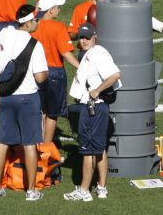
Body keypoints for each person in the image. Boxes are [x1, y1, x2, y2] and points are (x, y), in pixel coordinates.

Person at [0, 4, 49, 201]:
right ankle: (31, 191)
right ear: (28, 22)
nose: (38, 22)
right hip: (28, 99)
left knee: (2, 143)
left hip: (6, 97)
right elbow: (40, 77)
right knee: (30, 144)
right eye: (36, 20)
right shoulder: (35, 44)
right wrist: (47, 74)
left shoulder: (2, 36)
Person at [63, 24, 121, 201]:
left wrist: (97, 90)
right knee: (100, 148)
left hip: (93, 107)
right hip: (98, 107)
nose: (84, 40)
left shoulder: (96, 54)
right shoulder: (93, 53)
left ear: (94, 36)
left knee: (88, 151)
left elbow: (115, 75)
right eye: (81, 37)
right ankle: (102, 188)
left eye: (87, 37)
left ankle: (84, 191)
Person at [33, 0, 81, 142]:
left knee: (40, 110)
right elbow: (66, 53)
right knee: (52, 113)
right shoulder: (59, 27)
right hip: (55, 74)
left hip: (35, 73)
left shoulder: (32, 26)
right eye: (57, 7)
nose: (59, 10)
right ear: (50, 10)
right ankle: (46, 147)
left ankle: (37, 144)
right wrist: (81, 67)